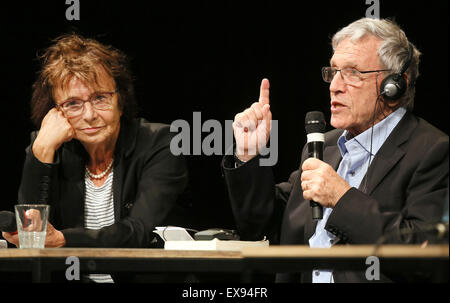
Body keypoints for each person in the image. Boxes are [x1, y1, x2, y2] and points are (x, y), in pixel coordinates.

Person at [222, 18, 449, 282]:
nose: (334, 86)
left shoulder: (433, 150)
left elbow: (426, 252)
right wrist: (249, 154)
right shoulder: (322, 147)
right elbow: (264, 224)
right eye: (333, 72)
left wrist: (342, 199)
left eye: (353, 72)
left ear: (394, 85)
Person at [2, 34, 189, 282]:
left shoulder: (162, 143)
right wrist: (42, 152)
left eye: (100, 98)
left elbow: (139, 232)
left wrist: (63, 239)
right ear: (55, 112)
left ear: (120, 101)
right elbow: (32, 239)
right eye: (72, 103)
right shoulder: (47, 146)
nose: (89, 115)